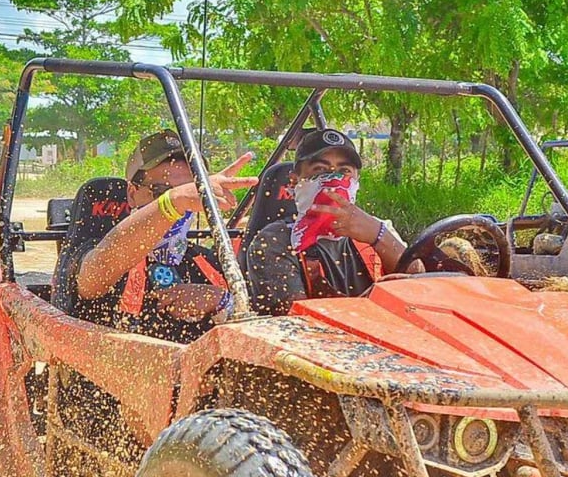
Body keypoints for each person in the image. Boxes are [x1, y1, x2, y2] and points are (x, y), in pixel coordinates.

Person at [74, 130, 256, 343]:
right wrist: (173, 201)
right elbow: (92, 279)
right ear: (132, 194)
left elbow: (257, 332)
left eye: (192, 192)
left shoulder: (207, 262)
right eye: (161, 190)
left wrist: (221, 302)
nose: (185, 204)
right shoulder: (100, 250)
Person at [243, 128, 410, 315]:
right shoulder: (275, 242)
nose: (334, 178)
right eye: (320, 170)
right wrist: (375, 300)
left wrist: (379, 236)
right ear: (294, 181)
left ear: (357, 181)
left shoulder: (379, 229)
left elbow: (421, 283)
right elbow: (294, 325)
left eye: (344, 170)